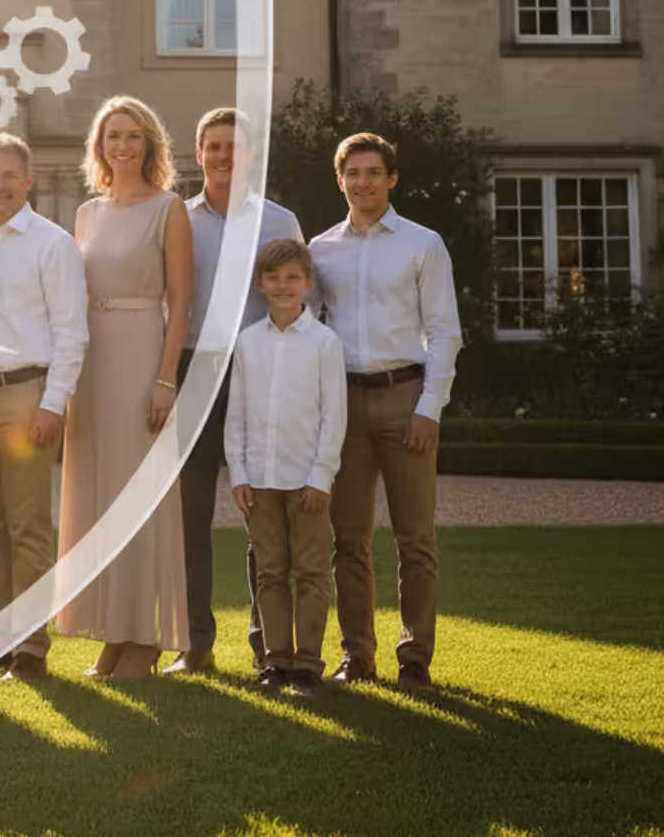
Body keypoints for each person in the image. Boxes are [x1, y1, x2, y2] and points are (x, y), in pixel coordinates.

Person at [309, 132, 462, 691]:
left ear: (392, 179)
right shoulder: (320, 249)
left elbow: (445, 331)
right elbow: (305, 330)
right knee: (347, 540)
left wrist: (430, 409)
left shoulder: (423, 245)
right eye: (353, 172)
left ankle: (415, 658)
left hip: (406, 400)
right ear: (340, 179)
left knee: (415, 538)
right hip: (343, 404)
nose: (363, 182)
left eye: (374, 172)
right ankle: (358, 655)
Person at [57, 95, 193, 681]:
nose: (123, 145)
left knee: (140, 497)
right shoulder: (86, 214)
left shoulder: (170, 209)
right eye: (113, 135)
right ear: (100, 146)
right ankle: (112, 635)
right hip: (92, 360)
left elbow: (181, 303)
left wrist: (165, 380)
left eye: (134, 136)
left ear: (150, 145)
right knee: (99, 499)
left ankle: (144, 637)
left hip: (142, 352)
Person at [168, 107, 303, 677]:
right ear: (199, 155)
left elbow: (303, 303)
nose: (224, 156)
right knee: (187, 519)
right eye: (214, 147)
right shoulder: (176, 219)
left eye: (235, 147)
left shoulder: (280, 222)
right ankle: (195, 644)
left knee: (265, 515)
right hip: (191, 375)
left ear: (250, 156)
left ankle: (269, 646)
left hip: (258, 376)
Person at [0, 133, 89, 683]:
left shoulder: (52, 244)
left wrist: (53, 404)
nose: (0, 185)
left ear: (28, 181)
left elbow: (71, 333)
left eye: (11, 176)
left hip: (26, 398)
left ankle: (30, 650)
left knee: (28, 527)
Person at [227, 238, 346, 694]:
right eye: (273, 279)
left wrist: (321, 475)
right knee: (270, 571)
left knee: (312, 572)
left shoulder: (324, 344)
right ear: (260, 285)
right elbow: (235, 413)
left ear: (308, 283)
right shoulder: (248, 343)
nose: (283, 286)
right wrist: (238, 472)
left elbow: (334, 416)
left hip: (306, 480)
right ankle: (276, 662)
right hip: (260, 481)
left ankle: (308, 665)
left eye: (292, 278)